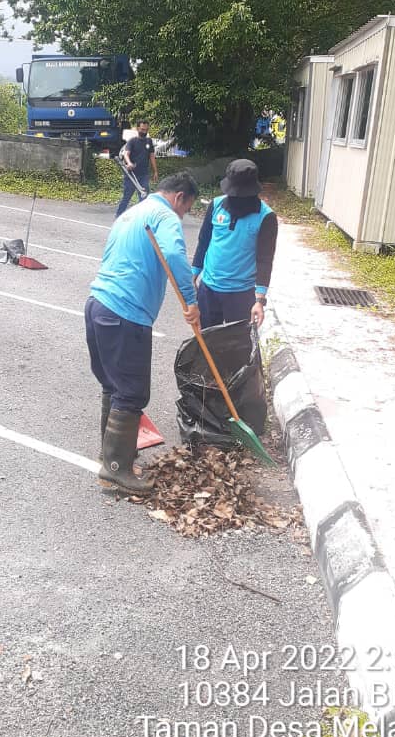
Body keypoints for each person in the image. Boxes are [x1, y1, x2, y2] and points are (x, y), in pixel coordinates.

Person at [86, 172, 201, 493]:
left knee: (114, 385)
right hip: (125, 314)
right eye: (185, 209)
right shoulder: (165, 215)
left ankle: (112, 454)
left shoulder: (132, 213)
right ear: (180, 197)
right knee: (133, 392)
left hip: (97, 305)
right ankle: (116, 471)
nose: (182, 216)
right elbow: (175, 255)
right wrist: (191, 301)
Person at [192, 158, 277, 330]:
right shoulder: (216, 205)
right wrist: (193, 273)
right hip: (208, 289)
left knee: (236, 348)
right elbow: (204, 241)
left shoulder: (266, 217)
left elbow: (265, 259)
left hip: (241, 294)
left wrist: (259, 300)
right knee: (205, 343)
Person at [115, 119, 158, 216]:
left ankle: (140, 218)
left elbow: (152, 156)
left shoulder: (149, 141)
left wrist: (155, 171)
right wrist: (129, 163)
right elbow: (126, 154)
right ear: (138, 128)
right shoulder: (132, 141)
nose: (144, 132)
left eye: (146, 130)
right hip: (131, 175)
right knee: (127, 197)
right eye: (142, 129)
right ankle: (118, 216)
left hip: (144, 175)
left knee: (144, 198)